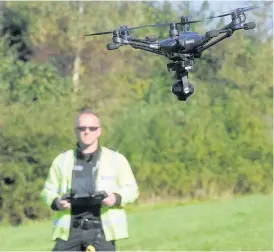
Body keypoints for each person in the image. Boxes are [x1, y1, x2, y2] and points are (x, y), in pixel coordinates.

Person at [40, 108, 139, 251]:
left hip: (103, 230)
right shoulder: (62, 160)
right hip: (70, 230)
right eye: (82, 128)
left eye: (92, 128)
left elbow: (132, 190)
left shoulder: (116, 159)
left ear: (99, 131)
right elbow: (47, 190)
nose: (87, 132)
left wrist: (115, 198)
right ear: (75, 131)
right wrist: (57, 202)